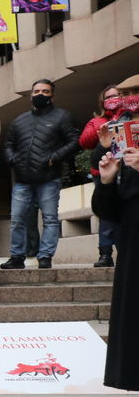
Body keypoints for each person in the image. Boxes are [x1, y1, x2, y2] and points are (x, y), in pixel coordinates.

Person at [0, 79, 79, 270]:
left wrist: (55, 157)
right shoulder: (20, 120)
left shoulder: (62, 116)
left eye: (45, 91)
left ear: (52, 94)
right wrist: (12, 160)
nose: (40, 94)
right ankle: (17, 257)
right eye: (36, 91)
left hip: (49, 178)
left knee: (50, 219)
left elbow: (75, 141)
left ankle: (45, 256)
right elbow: (8, 144)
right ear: (30, 94)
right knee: (17, 219)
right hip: (22, 180)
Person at [93, 73, 139, 393]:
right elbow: (108, 211)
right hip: (133, 241)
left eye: (135, 93)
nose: (129, 99)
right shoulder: (121, 138)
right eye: (126, 95)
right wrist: (108, 180)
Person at [82, 85, 126, 267]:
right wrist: (103, 129)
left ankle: (125, 250)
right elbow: (84, 141)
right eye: (108, 98)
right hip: (105, 174)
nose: (112, 100)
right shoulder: (97, 121)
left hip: (129, 172)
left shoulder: (131, 118)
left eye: (116, 96)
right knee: (106, 215)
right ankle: (105, 253)